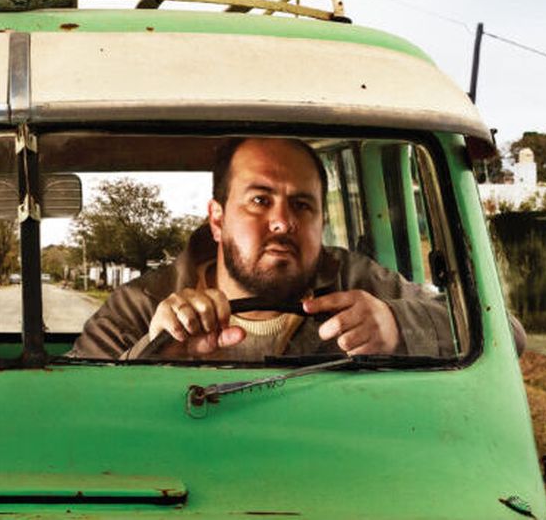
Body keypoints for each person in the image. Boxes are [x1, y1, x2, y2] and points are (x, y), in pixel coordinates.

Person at [71, 137, 457, 361]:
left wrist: (396, 325)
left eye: (302, 205)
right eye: (259, 200)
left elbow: (503, 333)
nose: (283, 222)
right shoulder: (142, 304)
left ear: (321, 221)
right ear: (217, 220)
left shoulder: (356, 282)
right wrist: (153, 356)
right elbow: (71, 409)